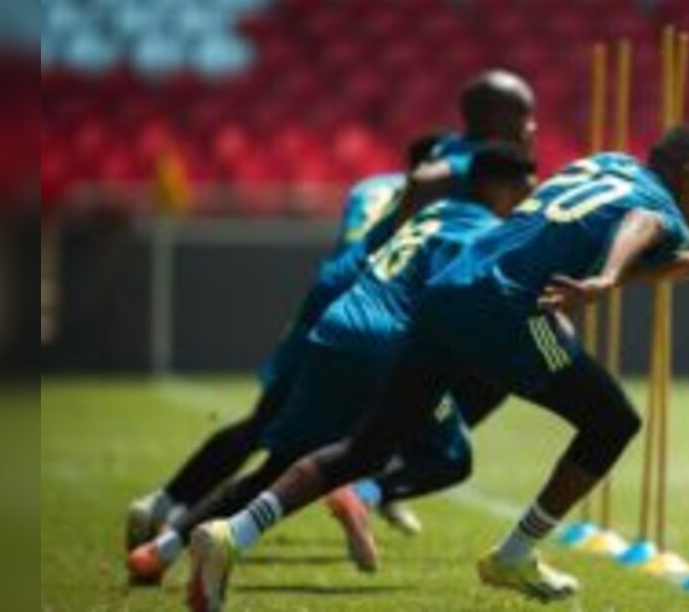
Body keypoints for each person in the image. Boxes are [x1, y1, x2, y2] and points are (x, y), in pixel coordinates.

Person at [186, 125, 689, 610]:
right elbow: (640, 222)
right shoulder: (663, 210)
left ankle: (232, 533)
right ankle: (514, 555)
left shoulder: (606, 163)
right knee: (613, 421)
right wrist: (611, 276)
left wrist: (645, 272)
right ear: (687, 169)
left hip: (449, 291)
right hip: (508, 309)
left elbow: (570, 232)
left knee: (367, 449)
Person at [124, 69, 537, 582]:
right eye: (526, 115)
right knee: (410, 447)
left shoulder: (434, 160)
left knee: (277, 441)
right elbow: (431, 196)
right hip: (380, 309)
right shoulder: (466, 171)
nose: (533, 126)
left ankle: (165, 531)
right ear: (498, 118)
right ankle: (369, 483)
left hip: (342, 300)